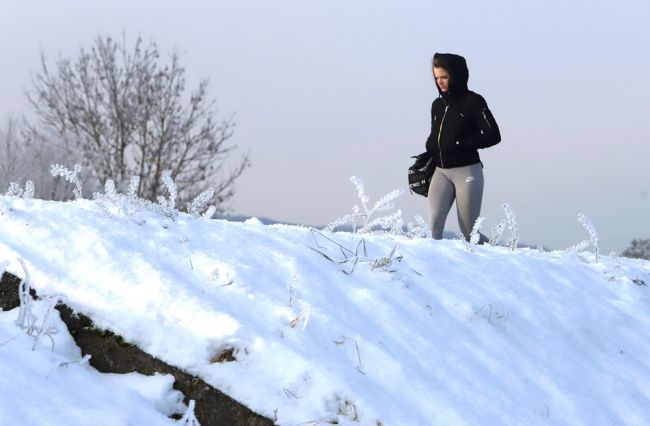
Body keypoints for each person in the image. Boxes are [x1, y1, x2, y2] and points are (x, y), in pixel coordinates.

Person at [425, 52, 501, 242]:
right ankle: (435, 270)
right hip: (441, 172)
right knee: (432, 230)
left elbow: (493, 135)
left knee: (469, 232)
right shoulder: (437, 105)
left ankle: (501, 261)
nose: (440, 82)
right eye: (437, 78)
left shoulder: (473, 101)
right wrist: (431, 146)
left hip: (467, 171)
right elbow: (438, 134)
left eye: (444, 77)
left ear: (456, 75)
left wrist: (462, 144)